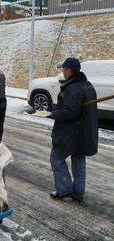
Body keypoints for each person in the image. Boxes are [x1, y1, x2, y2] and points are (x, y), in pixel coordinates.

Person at [42, 57, 98, 203]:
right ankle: (78, 193)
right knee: (78, 160)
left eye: (64, 69)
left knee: (56, 158)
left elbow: (70, 111)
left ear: (69, 70)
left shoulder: (73, 88)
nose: (63, 72)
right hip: (84, 132)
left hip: (71, 133)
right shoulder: (87, 85)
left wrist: (52, 114)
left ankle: (65, 189)